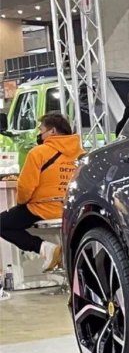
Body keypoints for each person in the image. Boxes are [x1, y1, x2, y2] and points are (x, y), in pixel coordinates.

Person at [0, 113, 84, 270]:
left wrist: (20, 203)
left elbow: (25, 187)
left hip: (43, 208)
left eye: (41, 130)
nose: (39, 134)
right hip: (72, 209)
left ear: (52, 131)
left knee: (2, 224)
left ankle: (45, 248)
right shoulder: (82, 154)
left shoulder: (38, 152)